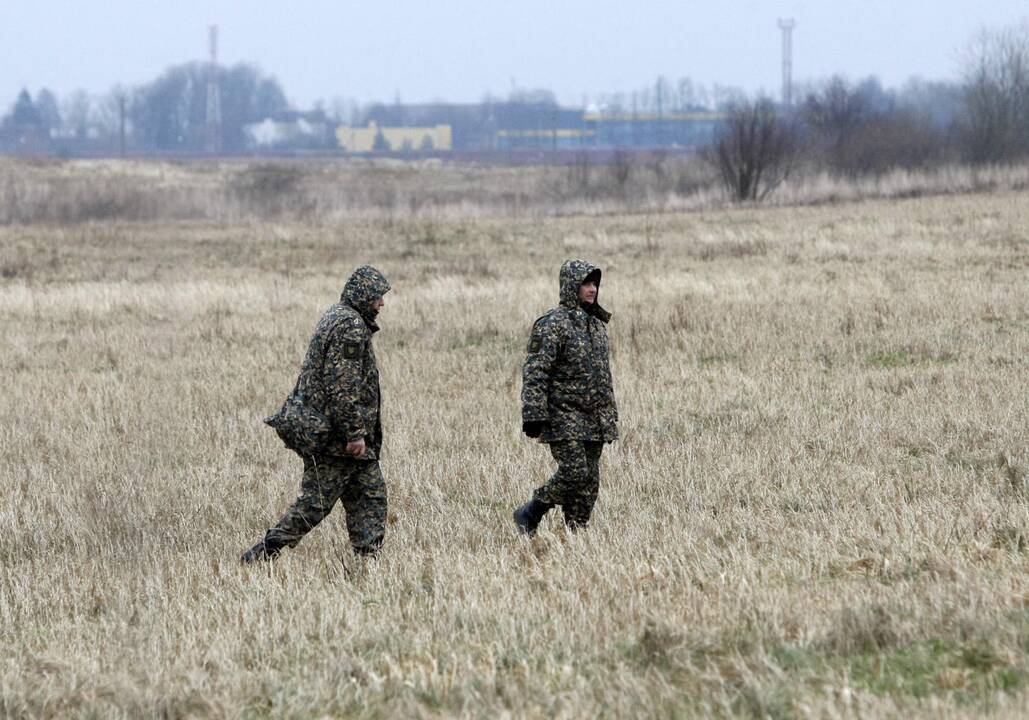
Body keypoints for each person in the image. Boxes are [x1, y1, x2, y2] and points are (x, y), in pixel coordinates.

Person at [241, 265, 391, 562]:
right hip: (336, 439)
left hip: (333, 432)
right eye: (377, 296)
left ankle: (368, 563)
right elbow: (342, 385)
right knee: (315, 504)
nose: (382, 303)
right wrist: (355, 434)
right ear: (363, 296)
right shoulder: (350, 326)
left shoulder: (338, 315)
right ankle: (263, 553)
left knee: (370, 497)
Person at [514, 259, 618, 535]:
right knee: (574, 473)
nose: (592, 289)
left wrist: (608, 418)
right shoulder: (552, 324)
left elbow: (602, 378)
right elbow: (536, 371)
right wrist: (533, 413)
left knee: (589, 484)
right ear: (572, 285)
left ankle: (575, 536)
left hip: (593, 419)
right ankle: (532, 510)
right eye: (586, 283)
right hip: (563, 417)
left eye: (595, 283)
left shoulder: (596, 326)